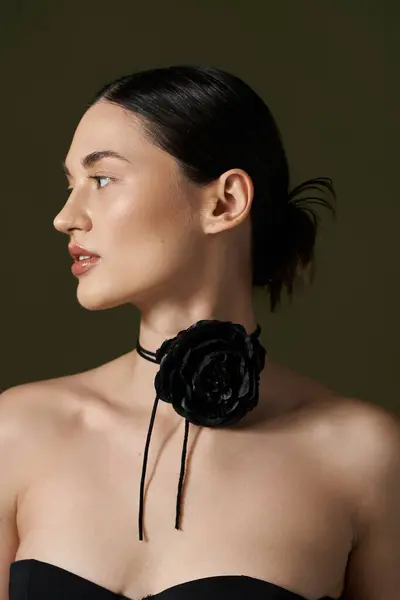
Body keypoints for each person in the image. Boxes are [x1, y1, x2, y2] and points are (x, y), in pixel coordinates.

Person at [1, 65, 399, 600]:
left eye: (101, 179)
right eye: (70, 184)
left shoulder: (364, 457)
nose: (65, 217)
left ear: (225, 201)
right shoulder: (17, 431)